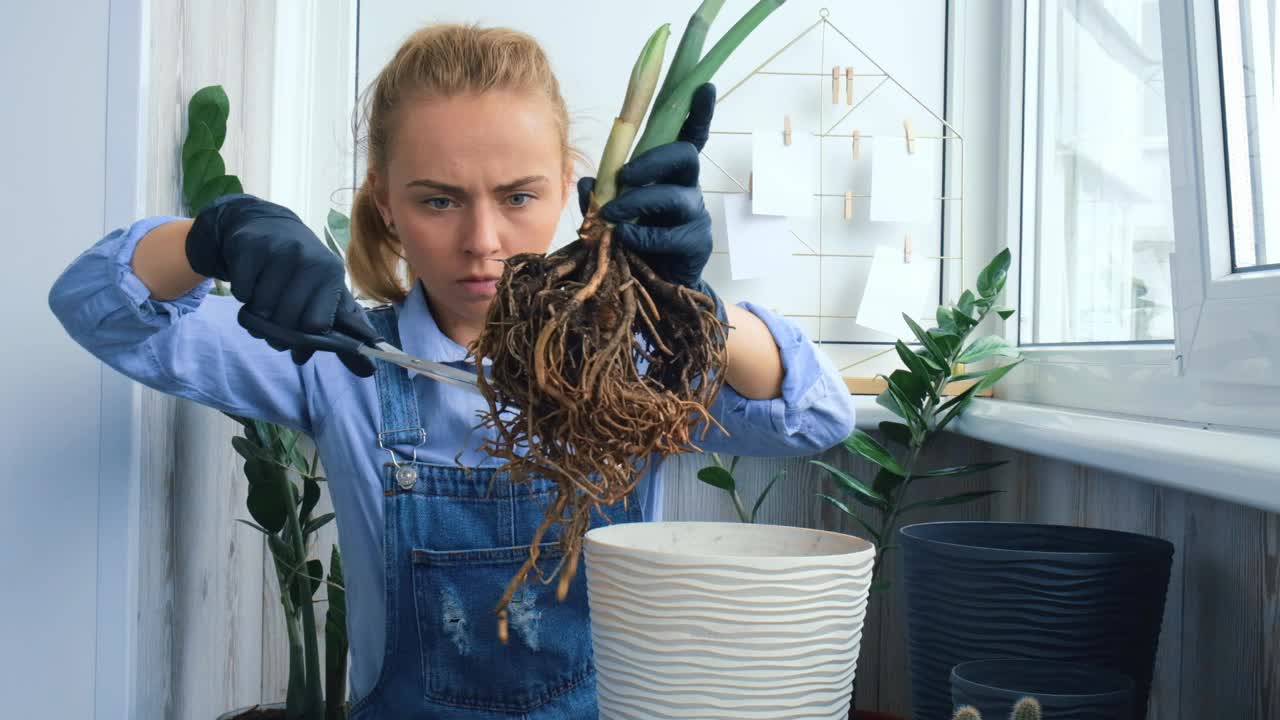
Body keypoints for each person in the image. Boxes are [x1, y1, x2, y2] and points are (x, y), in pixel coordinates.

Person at [49, 23, 856, 719]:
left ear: (573, 188)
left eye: (517, 196)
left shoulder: (637, 359)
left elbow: (816, 416)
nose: (483, 242)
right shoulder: (336, 359)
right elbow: (99, 309)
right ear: (385, 201)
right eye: (438, 200)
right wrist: (209, 237)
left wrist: (692, 307)